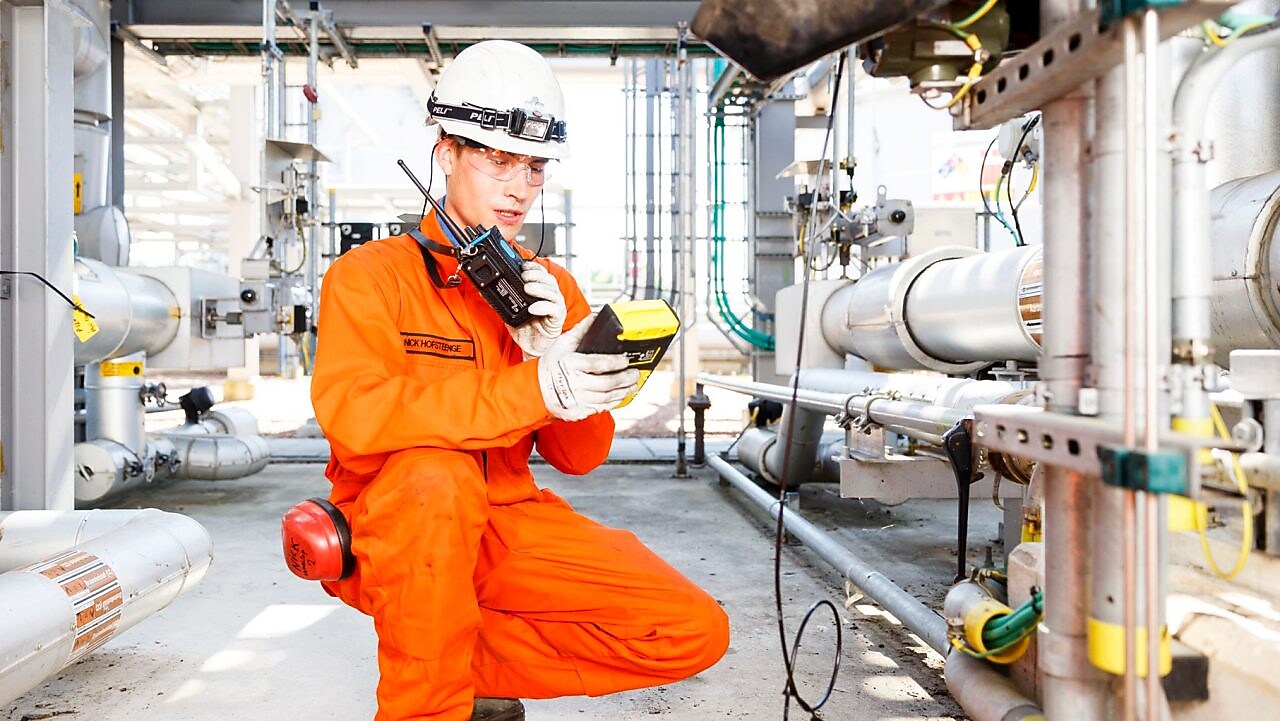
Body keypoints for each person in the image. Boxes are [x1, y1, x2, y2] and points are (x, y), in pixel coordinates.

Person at [309, 40, 730, 721]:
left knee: (691, 627)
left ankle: (442, 650)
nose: (520, 187)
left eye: (533, 166)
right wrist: (535, 386)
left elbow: (581, 455)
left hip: (506, 519)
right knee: (435, 477)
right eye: (498, 159)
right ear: (446, 153)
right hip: (399, 524)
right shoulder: (370, 277)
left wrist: (562, 360)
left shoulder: (548, 287)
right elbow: (358, 417)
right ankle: (428, 695)